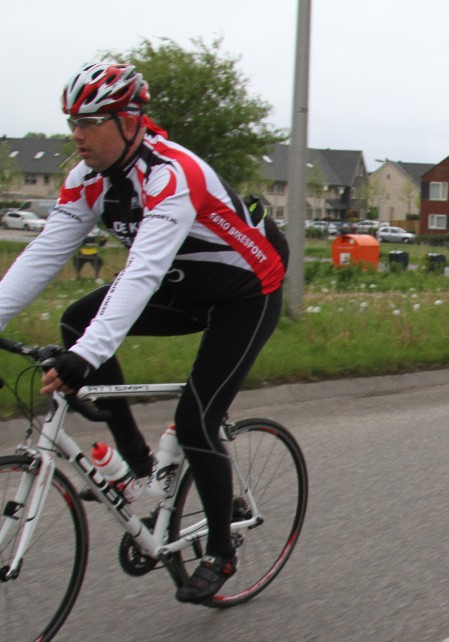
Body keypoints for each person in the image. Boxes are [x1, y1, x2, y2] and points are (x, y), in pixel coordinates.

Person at [0, 62, 288, 603]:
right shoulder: (87, 179)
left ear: (130, 121)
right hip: (183, 286)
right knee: (76, 321)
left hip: (246, 293)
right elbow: (43, 254)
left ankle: (221, 553)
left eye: (90, 122)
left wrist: (86, 357)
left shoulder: (172, 174)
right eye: (72, 122)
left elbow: (142, 272)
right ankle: (138, 467)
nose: (78, 134)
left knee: (196, 419)